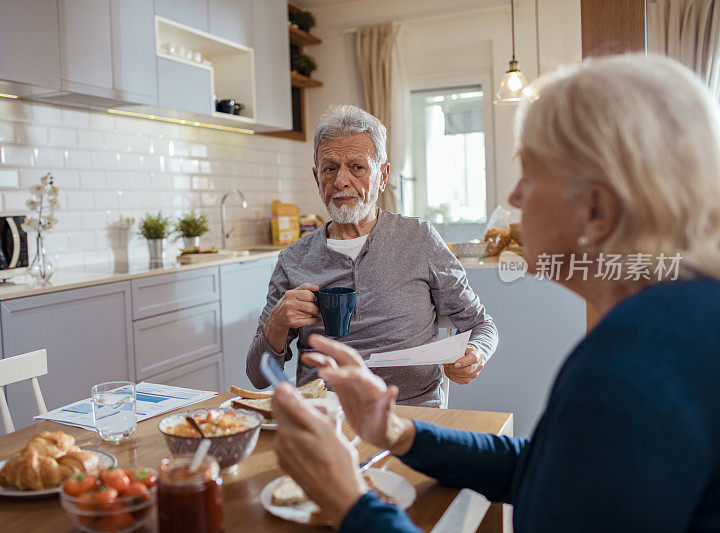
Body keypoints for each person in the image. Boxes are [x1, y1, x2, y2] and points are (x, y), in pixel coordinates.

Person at [270, 54, 720, 531]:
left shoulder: (633, 366)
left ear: (596, 209)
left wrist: (348, 501)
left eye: (531, 173)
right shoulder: (672, 326)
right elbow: (546, 470)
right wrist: (400, 432)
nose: (516, 198)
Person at [245, 104, 498, 407]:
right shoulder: (294, 259)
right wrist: (276, 324)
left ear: (382, 175)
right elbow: (258, 377)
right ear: (317, 178)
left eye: (357, 167)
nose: (341, 181)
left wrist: (476, 352)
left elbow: (481, 324)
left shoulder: (418, 238)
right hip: (323, 415)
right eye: (329, 168)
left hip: (408, 413)